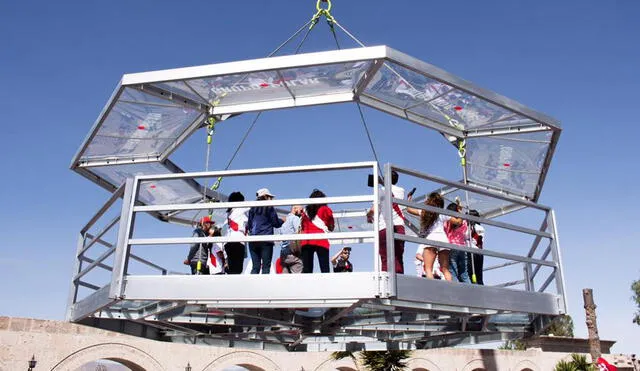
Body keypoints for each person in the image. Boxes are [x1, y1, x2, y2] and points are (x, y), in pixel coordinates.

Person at [366, 170, 406, 274]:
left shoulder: (381, 191)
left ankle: (387, 286)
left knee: (385, 259)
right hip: (400, 227)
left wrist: (368, 216)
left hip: (384, 227)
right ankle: (399, 284)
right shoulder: (401, 190)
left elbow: (374, 210)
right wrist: (382, 181)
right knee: (398, 258)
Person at [406, 192, 452, 281]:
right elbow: (457, 221)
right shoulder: (442, 213)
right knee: (445, 270)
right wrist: (459, 210)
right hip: (444, 239)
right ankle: (451, 291)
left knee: (428, 269)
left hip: (431, 239)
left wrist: (409, 199)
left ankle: (432, 292)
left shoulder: (424, 212)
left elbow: (409, 209)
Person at [247, 188, 284, 274]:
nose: (271, 199)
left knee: (255, 266)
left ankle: (253, 285)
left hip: (253, 240)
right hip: (265, 240)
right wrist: (283, 220)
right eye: (269, 197)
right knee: (266, 266)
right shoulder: (269, 208)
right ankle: (263, 286)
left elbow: (249, 225)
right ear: (265, 196)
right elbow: (275, 223)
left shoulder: (252, 208)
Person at [300, 189, 335, 273]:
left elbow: (302, 226)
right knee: (324, 268)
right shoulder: (326, 209)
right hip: (321, 239)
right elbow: (331, 227)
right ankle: (325, 285)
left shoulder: (305, 211)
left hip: (307, 240)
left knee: (307, 269)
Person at [444, 202, 470, 283]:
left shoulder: (448, 221)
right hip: (463, 248)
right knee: (464, 274)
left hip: (452, 248)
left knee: (453, 273)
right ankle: (471, 293)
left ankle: (457, 294)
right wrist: (460, 211)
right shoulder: (465, 221)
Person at [224, 191, 249, 274]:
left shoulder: (230, 212)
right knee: (238, 269)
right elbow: (251, 206)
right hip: (238, 241)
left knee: (233, 268)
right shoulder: (240, 209)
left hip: (229, 241)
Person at [278, 205, 304, 274]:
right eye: (301, 210)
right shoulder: (295, 218)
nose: (302, 213)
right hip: (293, 253)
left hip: (283, 254)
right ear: (295, 209)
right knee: (297, 278)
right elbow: (299, 232)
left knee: (285, 280)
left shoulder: (284, 221)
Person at [467, 209, 485, 285]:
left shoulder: (468, 228)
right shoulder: (481, 228)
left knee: (471, 275)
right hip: (479, 252)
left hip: (470, 252)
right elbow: (480, 243)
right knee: (479, 276)